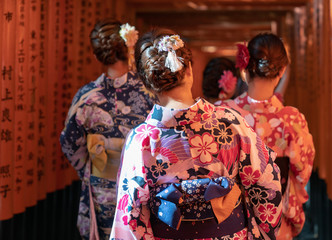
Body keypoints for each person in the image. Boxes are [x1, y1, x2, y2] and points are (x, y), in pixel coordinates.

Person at [110, 28, 282, 240]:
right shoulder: (232, 123)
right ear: (189, 70)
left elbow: (130, 214)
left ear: (147, 84)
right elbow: (267, 182)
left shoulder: (141, 140)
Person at [60, 19, 157, 240]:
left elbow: (69, 140)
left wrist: (92, 165)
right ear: (130, 48)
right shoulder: (150, 94)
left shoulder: (86, 96)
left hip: (101, 186)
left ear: (97, 56)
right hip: (140, 186)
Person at [216, 33, 315, 240]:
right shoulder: (291, 121)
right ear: (282, 71)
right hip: (275, 223)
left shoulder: (221, 114)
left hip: (230, 223)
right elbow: (302, 173)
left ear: (244, 69)